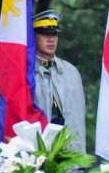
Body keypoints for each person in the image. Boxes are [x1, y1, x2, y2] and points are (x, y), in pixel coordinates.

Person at [32, 10, 86, 152]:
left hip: (69, 153)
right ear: (33, 36)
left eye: (54, 34)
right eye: (45, 34)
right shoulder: (24, 74)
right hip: (36, 156)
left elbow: (77, 120)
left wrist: (79, 159)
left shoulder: (71, 72)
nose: (51, 39)